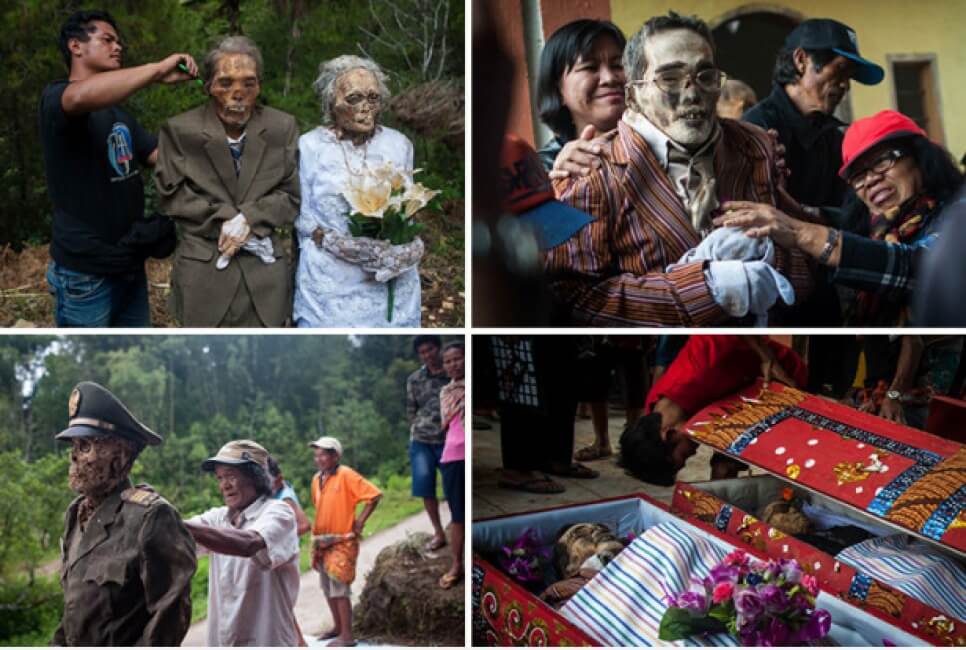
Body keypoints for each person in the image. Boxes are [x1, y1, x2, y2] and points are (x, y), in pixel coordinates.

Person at [545, 11, 813, 326]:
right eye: (670, 78)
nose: (692, 93)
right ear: (633, 93)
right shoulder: (588, 168)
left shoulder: (756, 146)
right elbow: (574, 297)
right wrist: (707, 287)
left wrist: (772, 258)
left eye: (705, 76)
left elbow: (807, 259)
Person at [717, 109, 964, 326]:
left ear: (920, 157)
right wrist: (776, 191)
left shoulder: (958, 214)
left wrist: (801, 233)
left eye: (882, 161)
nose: (870, 180)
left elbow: (920, 267)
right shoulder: (874, 232)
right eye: (858, 176)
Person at [40, 10, 197, 327]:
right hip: (86, 275)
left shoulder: (118, 115)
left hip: (128, 265)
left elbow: (158, 155)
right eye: (107, 39)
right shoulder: (57, 98)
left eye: (119, 42)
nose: (118, 47)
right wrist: (156, 70)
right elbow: (82, 95)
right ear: (76, 46)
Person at [156, 35, 300, 327]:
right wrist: (228, 220)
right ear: (208, 86)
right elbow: (171, 195)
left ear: (259, 85)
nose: (238, 93)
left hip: (265, 277)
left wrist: (250, 218)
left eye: (249, 83)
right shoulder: (180, 130)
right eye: (226, 83)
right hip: (204, 274)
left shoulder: (282, 127)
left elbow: (292, 194)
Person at [52, 381, 196, 645]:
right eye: (73, 446)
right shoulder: (75, 513)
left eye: (85, 446)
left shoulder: (151, 518)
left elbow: (169, 620)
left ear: (119, 455)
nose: (73, 457)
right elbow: (75, 613)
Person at [294, 55, 422, 327]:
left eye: (373, 98)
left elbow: (410, 211)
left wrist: (409, 250)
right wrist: (348, 247)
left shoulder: (399, 145)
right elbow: (303, 221)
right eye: (353, 99)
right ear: (332, 103)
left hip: (391, 282)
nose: (365, 108)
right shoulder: (310, 146)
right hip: (330, 286)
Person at [631, 335, 807, 483]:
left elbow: (733, 322)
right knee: (722, 470)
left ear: (669, 434)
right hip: (735, 397)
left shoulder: (703, 364)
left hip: (781, 381)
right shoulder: (653, 411)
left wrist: (768, 359)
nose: (694, 452)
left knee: (727, 467)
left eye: (685, 455)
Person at [185, 440, 301, 647]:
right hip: (225, 641)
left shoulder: (278, 512)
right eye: (220, 478)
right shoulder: (218, 518)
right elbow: (177, 536)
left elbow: (249, 544)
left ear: (255, 477)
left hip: (268, 641)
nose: (224, 485)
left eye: (231, 476)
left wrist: (169, 519)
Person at [308, 436, 382, 647]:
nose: (319, 458)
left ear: (335, 456)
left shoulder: (346, 475)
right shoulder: (316, 479)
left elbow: (374, 496)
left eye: (324, 454)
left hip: (343, 541)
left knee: (339, 588)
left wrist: (359, 522)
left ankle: (347, 636)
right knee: (327, 586)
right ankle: (338, 627)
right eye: (317, 454)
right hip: (322, 541)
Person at [535, 19, 626, 174]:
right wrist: (557, 188)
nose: (609, 78)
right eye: (590, 67)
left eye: (618, 65)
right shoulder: (541, 171)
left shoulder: (665, 147)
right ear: (558, 90)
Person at [405, 335, 451, 552]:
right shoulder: (414, 379)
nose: (427, 355)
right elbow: (411, 409)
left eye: (430, 349)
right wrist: (415, 429)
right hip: (421, 440)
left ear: (439, 348)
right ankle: (438, 531)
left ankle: (456, 525)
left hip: (448, 440)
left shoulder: (453, 373)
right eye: (422, 352)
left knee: (453, 486)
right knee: (426, 488)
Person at [438, 341, 465, 590]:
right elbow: (445, 422)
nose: (453, 364)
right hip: (454, 456)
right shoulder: (447, 392)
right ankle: (457, 564)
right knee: (458, 515)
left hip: (469, 453)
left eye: (457, 358)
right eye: (447, 361)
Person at [267, 455, 311, 537]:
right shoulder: (282, 487)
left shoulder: (286, 499)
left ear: (279, 479)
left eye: (269, 482)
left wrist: (278, 537)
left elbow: (304, 526)